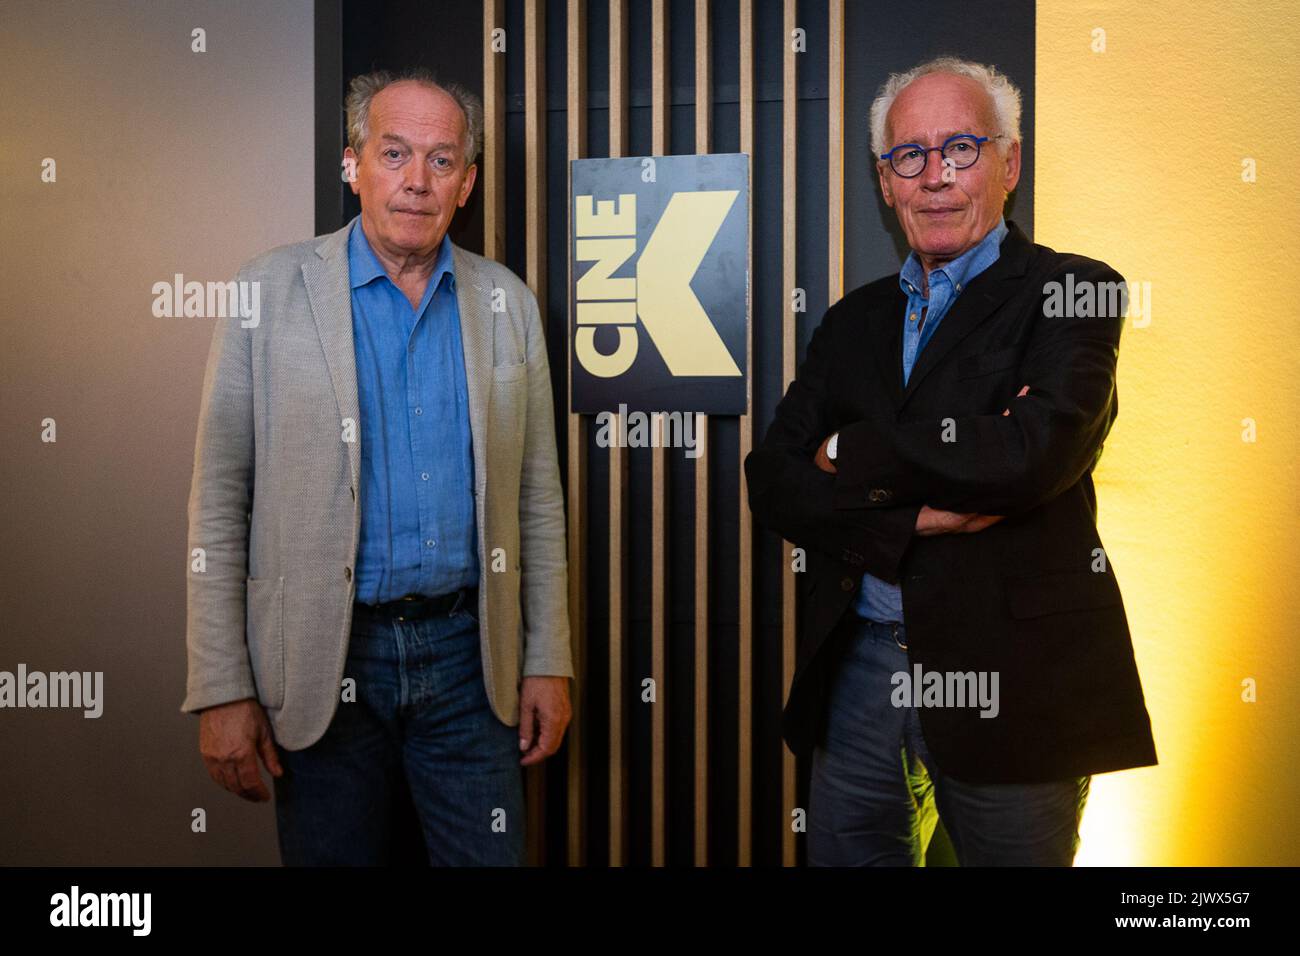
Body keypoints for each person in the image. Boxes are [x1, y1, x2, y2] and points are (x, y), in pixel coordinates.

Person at [744, 56, 1157, 866]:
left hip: (1015, 683)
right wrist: (917, 515)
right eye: (911, 155)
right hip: (857, 670)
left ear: (1010, 163)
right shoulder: (851, 321)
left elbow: (1029, 456)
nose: (936, 176)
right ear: (886, 180)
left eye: (962, 148)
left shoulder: (1077, 292)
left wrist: (850, 449)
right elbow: (775, 480)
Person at [182, 68, 573, 865]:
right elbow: (220, 499)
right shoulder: (269, 289)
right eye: (394, 153)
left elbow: (537, 500)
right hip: (324, 664)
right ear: (353, 163)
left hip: (472, 661)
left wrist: (548, 660)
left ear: (465, 183)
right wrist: (221, 684)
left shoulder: (508, 303)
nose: (416, 182)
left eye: (441, 160)